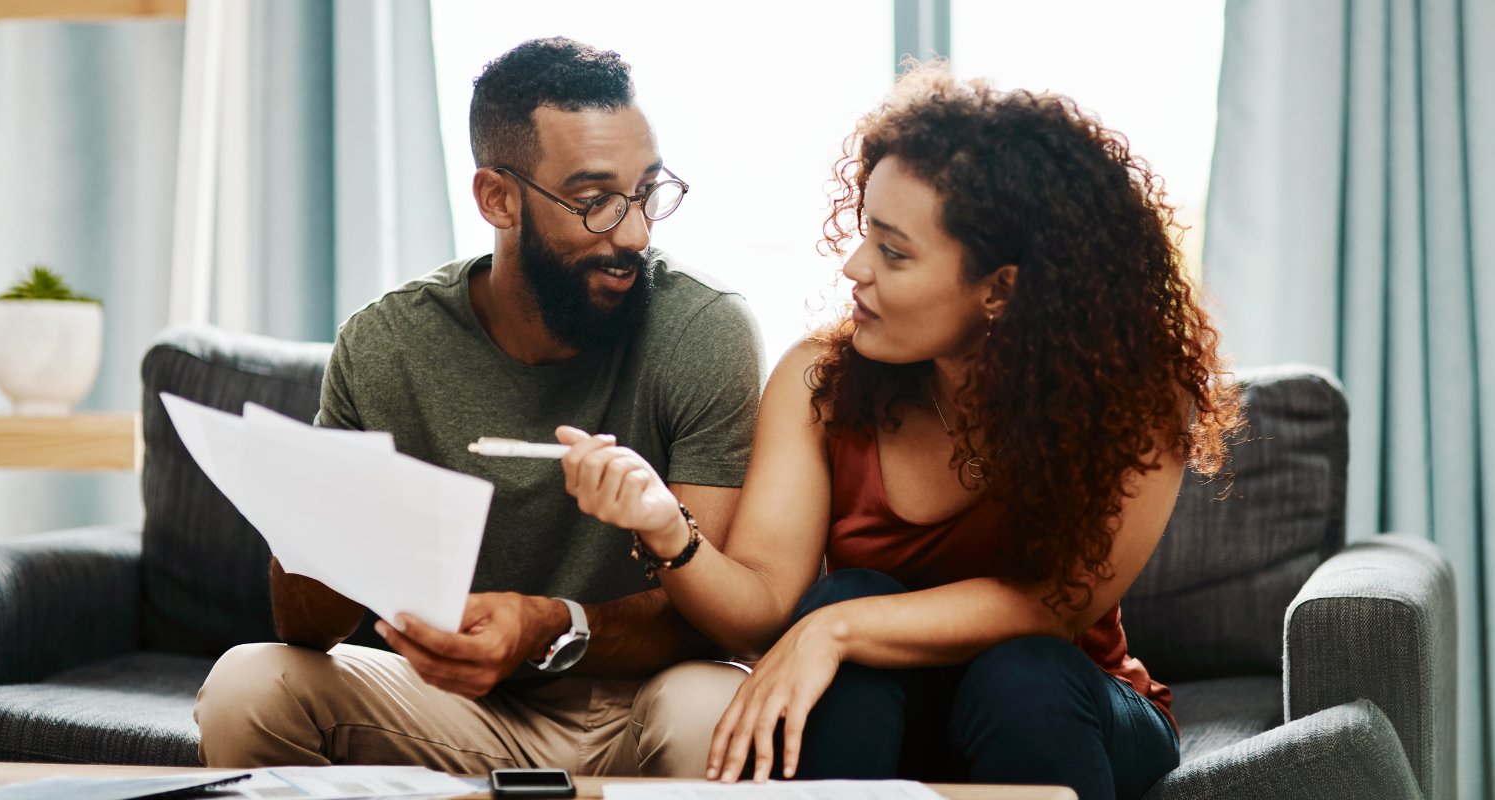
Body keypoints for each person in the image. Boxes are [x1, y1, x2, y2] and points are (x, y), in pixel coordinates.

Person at [557, 63, 1240, 799]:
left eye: (893, 250)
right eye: (864, 233)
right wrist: (666, 528)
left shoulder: (1135, 397)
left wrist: (836, 630)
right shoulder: (821, 379)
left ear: (999, 288)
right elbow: (758, 610)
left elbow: (1055, 605)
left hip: (1066, 711)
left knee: (1019, 673)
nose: (854, 267)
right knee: (847, 594)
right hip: (883, 720)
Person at [192, 37, 765, 778]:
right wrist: (329, 509)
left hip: (637, 701)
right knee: (247, 684)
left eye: (647, 192)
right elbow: (302, 626)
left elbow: (706, 618)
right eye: (594, 203)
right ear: (498, 198)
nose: (633, 233)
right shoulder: (386, 345)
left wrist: (544, 625)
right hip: (450, 702)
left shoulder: (703, 330)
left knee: (713, 708)